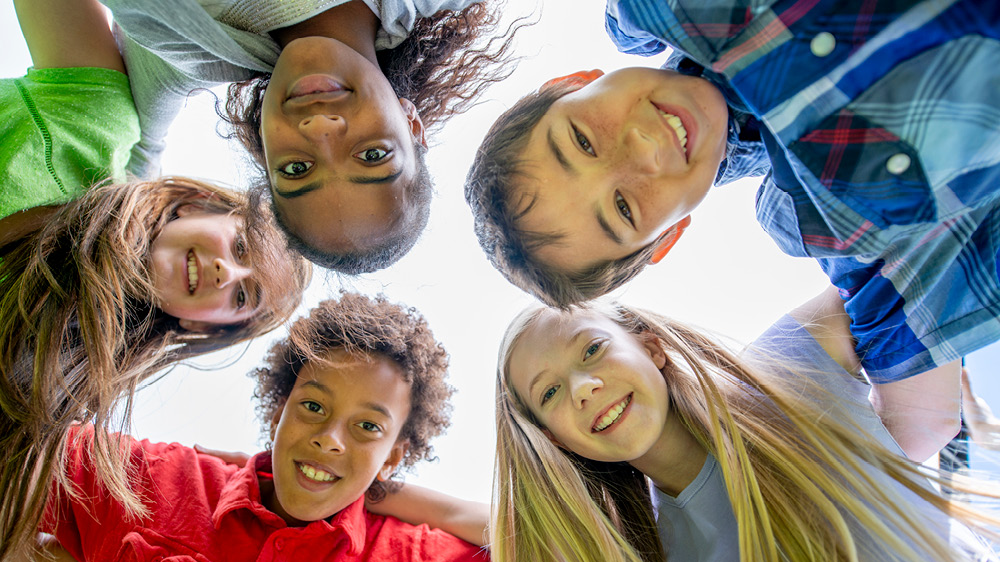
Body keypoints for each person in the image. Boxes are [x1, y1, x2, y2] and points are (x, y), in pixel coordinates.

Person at [464, 0, 1000, 443]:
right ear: (666, 239)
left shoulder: (650, 12)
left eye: (581, 140)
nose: (646, 149)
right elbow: (920, 425)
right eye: (624, 208)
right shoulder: (823, 218)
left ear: (570, 82)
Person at [1, 2, 312, 560]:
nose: (227, 272)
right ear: (197, 205)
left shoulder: (58, 381)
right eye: (241, 247)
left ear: (201, 323)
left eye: (242, 295)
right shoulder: (93, 126)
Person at [492, 290, 1000, 562]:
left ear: (650, 347)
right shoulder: (656, 555)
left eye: (592, 349)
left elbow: (894, 274)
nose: (582, 387)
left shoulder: (780, 370)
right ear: (552, 438)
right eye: (551, 392)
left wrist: (917, 423)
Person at [37, 293, 488, 561]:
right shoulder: (151, 477)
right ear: (278, 411)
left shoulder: (409, 553)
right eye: (313, 406)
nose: (328, 439)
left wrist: (388, 492)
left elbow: (547, 534)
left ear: (393, 455)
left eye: (368, 427)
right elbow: (23, 443)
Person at [99, 0, 518, 272]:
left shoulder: (184, 45)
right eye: (373, 156)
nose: (320, 128)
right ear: (411, 123)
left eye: (297, 168)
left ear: (265, 154)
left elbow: (131, 163)